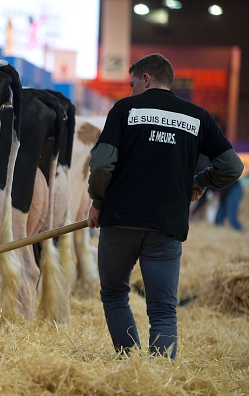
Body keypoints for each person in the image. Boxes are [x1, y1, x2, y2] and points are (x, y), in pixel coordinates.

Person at [86, 53, 244, 360]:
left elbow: (103, 164)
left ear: (145, 79)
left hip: (120, 220)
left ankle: (131, 364)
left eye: (132, 83)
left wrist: (97, 203)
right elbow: (233, 167)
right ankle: (158, 380)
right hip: (167, 226)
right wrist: (200, 181)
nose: (129, 90)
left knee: (115, 294)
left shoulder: (124, 109)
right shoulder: (198, 116)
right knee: (162, 310)